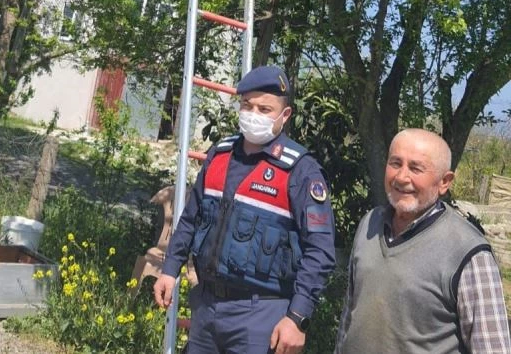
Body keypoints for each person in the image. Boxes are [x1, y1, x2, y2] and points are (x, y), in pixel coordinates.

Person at [153, 65, 336, 354]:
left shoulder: (300, 171)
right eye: (247, 105)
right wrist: (169, 269)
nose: (253, 115)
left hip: (262, 313)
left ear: (284, 116)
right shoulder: (219, 155)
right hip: (207, 305)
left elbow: (320, 251)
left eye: (265, 109)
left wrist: (297, 317)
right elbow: (191, 219)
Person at [335, 128, 511, 354]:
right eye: (395, 163)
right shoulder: (370, 223)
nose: (401, 177)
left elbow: (493, 348)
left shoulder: (468, 252)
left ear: (444, 182)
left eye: (415, 168)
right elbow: (350, 314)